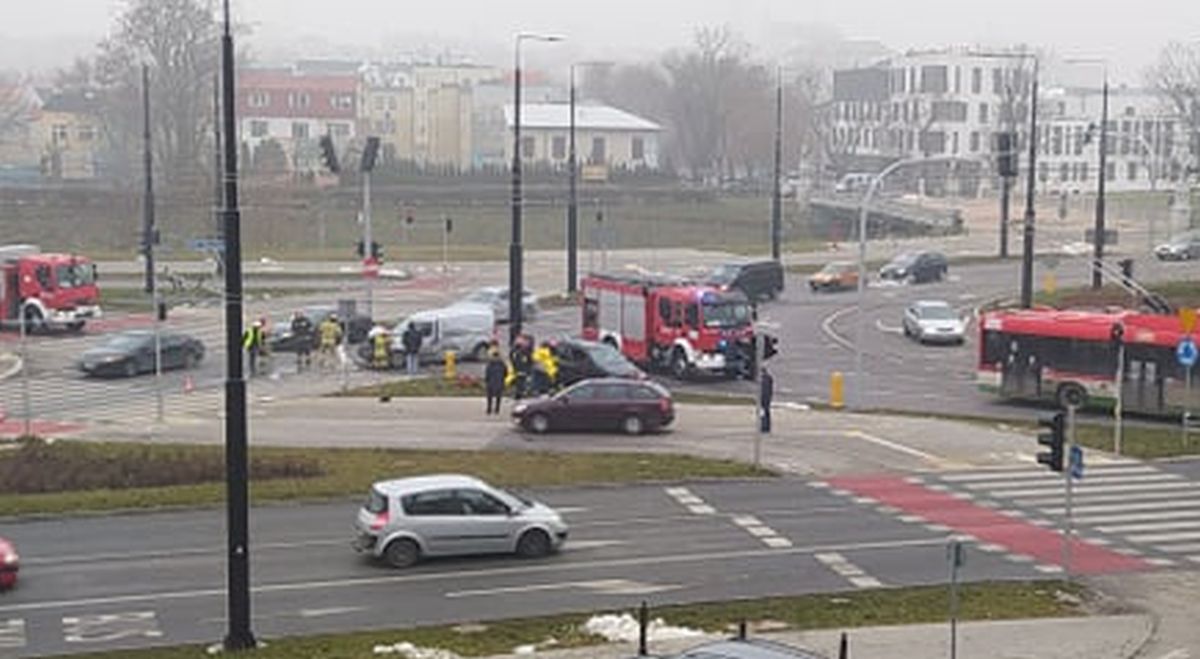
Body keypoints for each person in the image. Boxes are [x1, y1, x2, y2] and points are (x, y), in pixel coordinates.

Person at [484, 348, 507, 415]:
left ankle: (489, 409)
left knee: (489, 397)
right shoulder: (502, 364)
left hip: (491, 383)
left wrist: (487, 380)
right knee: (498, 397)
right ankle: (497, 409)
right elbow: (506, 373)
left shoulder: (490, 364)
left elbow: (487, 373)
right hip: (499, 382)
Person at [510, 334, 533, 399]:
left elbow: (529, 361)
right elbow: (512, 358)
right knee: (520, 383)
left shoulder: (524, 353)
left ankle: (520, 394)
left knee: (521, 383)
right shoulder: (517, 353)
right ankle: (519, 394)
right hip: (520, 370)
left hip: (522, 371)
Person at [759, 366, 774, 433]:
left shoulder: (764, 379)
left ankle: (764, 427)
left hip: (765, 398)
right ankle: (766, 427)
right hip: (767, 397)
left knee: (764, 413)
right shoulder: (768, 378)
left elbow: (764, 390)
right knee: (766, 412)